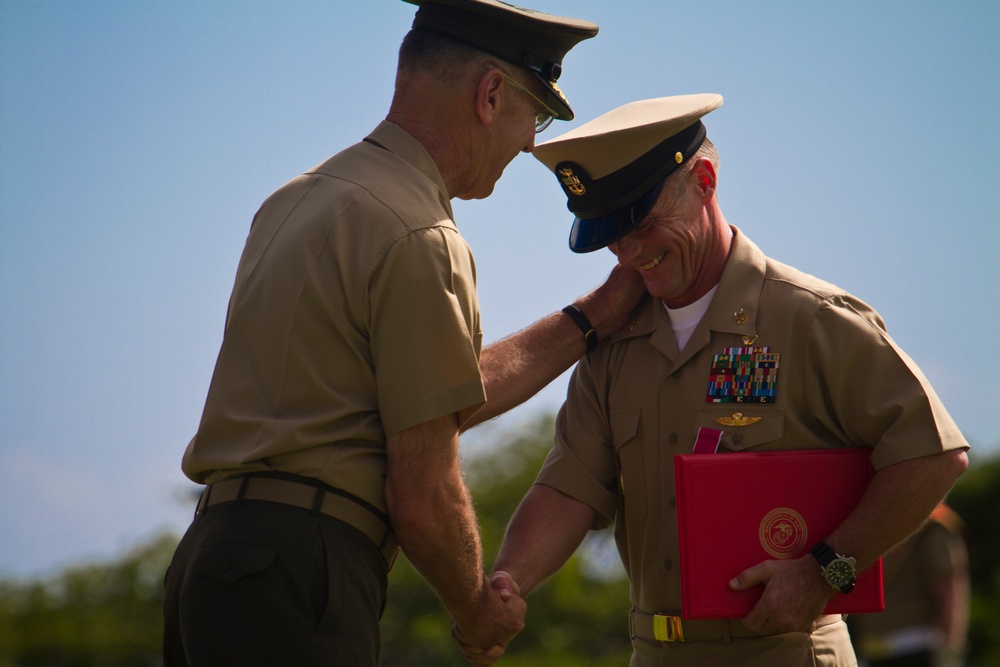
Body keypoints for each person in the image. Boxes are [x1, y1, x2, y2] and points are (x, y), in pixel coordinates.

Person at [161, 1, 646, 665]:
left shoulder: (298, 200)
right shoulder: (420, 236)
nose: (531, 140)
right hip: (305, 569)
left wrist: (589, 319)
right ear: (491, 94)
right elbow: (421, 492)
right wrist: (478, 609)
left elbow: (430, 396)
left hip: (209, 565)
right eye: (534, 110)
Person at [489, 94, 970, 667]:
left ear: (704, 181)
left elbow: (932, 455)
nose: (630, 252)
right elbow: (570, 490)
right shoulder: (612, 348)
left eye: (642, 223)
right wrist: (505, 585)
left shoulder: (810, 319)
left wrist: (826, 571)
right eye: (611, 236)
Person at [848, 502, 970, 667]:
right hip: (873, 647)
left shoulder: (935, 526)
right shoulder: (871, 520)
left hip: (919, 647)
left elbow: (950, 593)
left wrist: (950, 649)